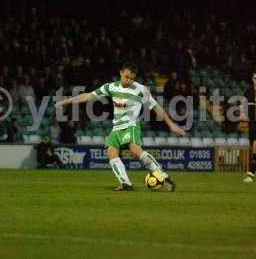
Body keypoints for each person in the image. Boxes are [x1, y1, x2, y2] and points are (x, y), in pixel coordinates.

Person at [55, 61, 186, 191]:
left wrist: (171, 125)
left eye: (131, 78)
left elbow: (157, 108)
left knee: (135, 150)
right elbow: (89, 96)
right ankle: (126, 183)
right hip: (116, 128)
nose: (128, 80)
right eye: (126, 77)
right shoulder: (110, 87)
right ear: (121, 72)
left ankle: (163, 176)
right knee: (111, 152)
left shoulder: (141, 90)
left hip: (131, 126)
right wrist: (68, 101)